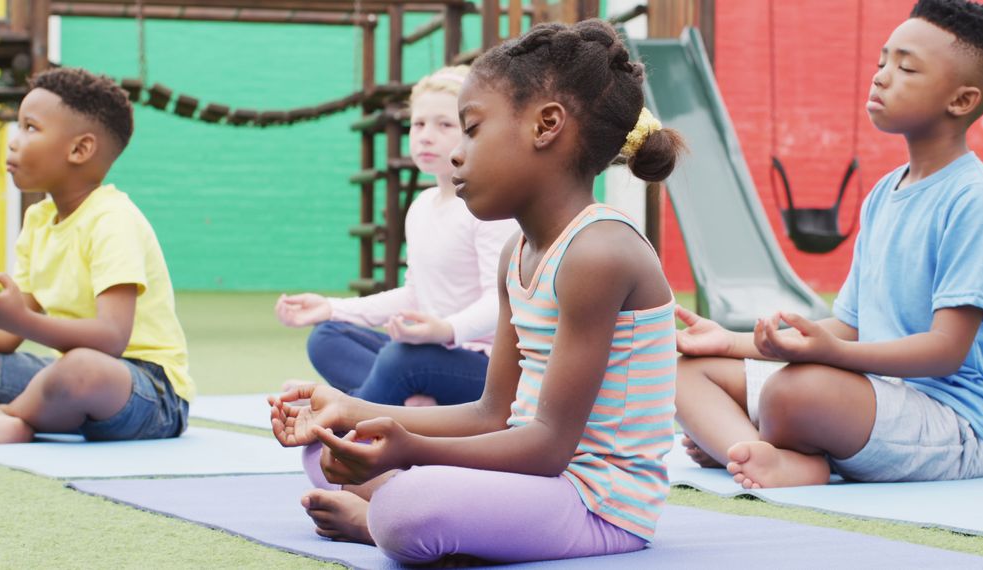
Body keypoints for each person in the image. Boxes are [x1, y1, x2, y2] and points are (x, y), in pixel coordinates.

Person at [269, 19, 685, 565]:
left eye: (471, 128)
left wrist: (411, 449)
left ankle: (380, 519)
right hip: (538, 476)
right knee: (325, 445)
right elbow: (494, 414)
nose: (456, 154)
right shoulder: (518, 252)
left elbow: (549, 446)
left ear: (546, 125)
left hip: (596, 502)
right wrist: (347, 408)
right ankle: (397, 506)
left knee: (406, 510)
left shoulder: (599, 253)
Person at [675, 0, 983, 489]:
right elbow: (850, 325)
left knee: (796, 391)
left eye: (905, 68)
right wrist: (732, 343)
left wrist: (827, 354)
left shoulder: (975, 201)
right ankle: (752, 452)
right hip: (867, 398)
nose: (881, 77)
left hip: (949, 424)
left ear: (961, 101)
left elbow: (945, 351)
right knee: (689, 371)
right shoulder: (884, 193)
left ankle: (763, 447)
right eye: (882, 61)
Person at [275, 65, 517, 408]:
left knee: (403, 361)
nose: (425, 136)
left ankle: (341, 407)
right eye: (418, 124)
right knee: (327, 336)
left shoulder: (491, 209)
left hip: (486, 365)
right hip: (429, 353)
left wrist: (445, 330)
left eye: (445, 125)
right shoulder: (421, 207)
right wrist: (331, 307)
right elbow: (415, 294)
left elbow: (503, 303)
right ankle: (405, 405)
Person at [0, 68, 193, 443]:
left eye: (30, 128)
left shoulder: (112, 219)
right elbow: (8, 336)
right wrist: (12, 318)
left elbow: (110, 339)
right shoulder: (38, 219)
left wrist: (21, 320)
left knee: (81, 369)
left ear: (80, 149)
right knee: (67, 371)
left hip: (148, 392)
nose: (13, 140)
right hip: (66, 379)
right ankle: (43, 412)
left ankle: (16, 417)